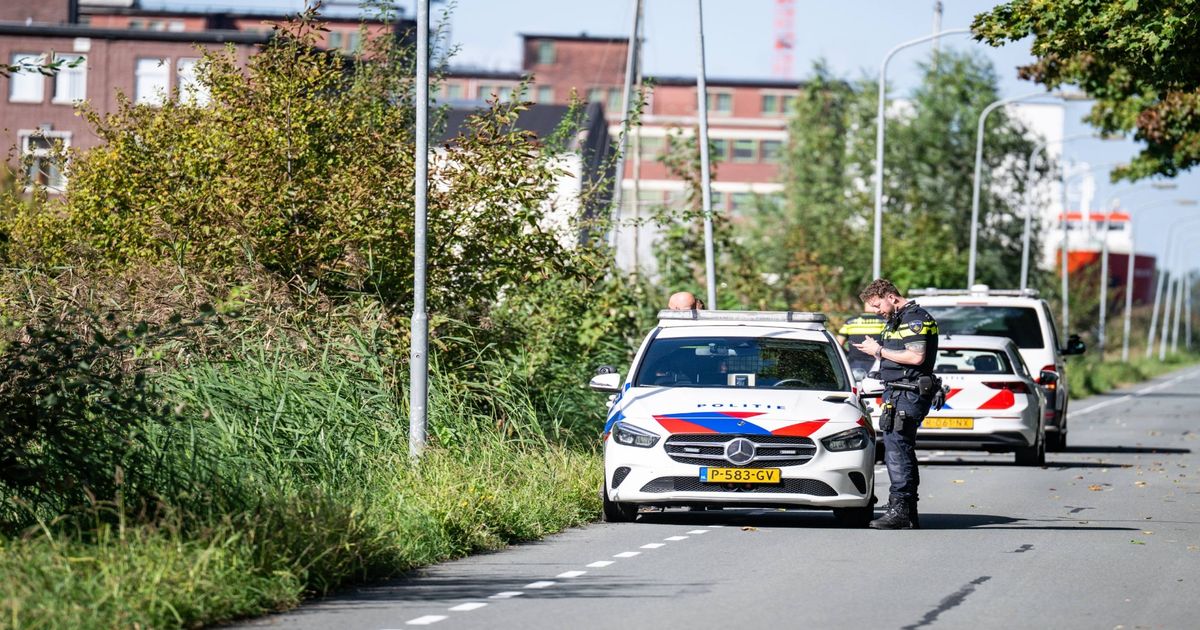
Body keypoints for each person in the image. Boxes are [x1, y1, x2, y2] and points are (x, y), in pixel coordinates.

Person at [852, 278, 939, 529]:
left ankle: (900, 510)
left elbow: (915, 356)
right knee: (898, 449)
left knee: (898, 451)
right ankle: (907, 512)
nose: (876, 312)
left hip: (908, 394)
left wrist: (878, 351)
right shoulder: (897, 319)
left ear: (891, 297)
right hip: (897, 393)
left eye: (877, 305)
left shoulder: (915, 318)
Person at [838, 312, 886, 381]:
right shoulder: (884, 320)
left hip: (854, 362)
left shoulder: (850, 321)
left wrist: (847, 354)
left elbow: (839, 343)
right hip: (877, 361)